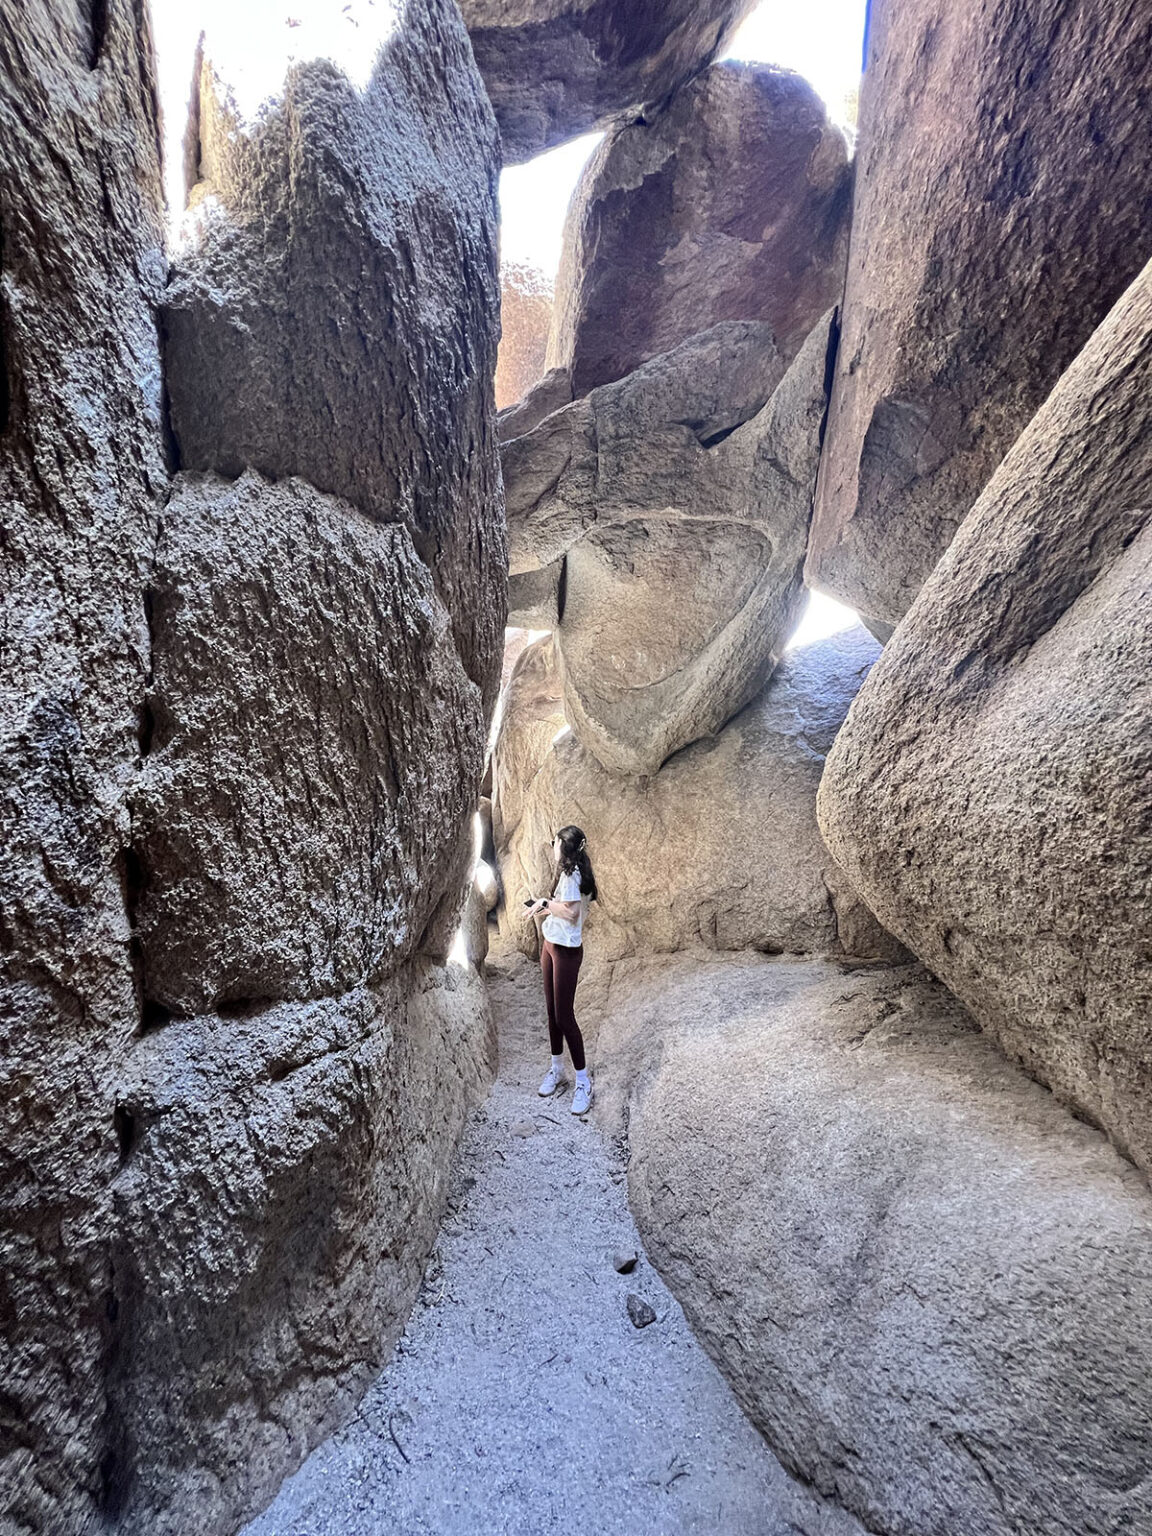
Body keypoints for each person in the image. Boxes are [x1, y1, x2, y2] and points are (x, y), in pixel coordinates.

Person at [526, 825, 598, 1115]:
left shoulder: (573, 876)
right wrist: (541, 909)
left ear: (564, 848)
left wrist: (545, 903)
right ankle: (557, 1070)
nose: (552, 846)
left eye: (555, 842)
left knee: (565, 1017)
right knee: (552, 1013)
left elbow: (571, 912)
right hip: (551, 945)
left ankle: (583, 1081)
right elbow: (562, 908)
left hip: (566, 951)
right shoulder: (569, 873)